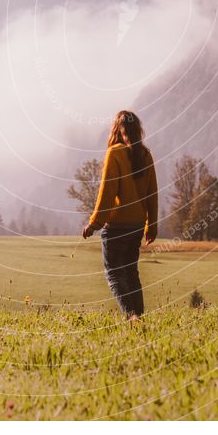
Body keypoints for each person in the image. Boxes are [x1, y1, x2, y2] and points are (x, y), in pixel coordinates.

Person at [82, 110, 158, 318]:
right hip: (135, 227)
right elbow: (152, 194)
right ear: (138, 130)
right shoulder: (146, 154)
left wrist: (94, 223)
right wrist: (151, 226)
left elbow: (107, 193)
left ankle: (131, 317)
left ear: (116, 129)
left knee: (115, 273)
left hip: (116, 228)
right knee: (131, 274)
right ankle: (138, 317)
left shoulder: (115, 153)